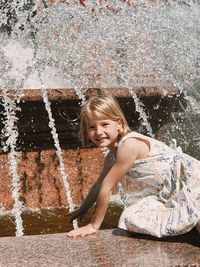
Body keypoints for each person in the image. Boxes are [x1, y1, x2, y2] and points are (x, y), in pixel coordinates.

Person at [66, 95, 200, 238]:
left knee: (193, 207)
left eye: (105, 124)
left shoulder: (129, 145)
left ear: (119, 123)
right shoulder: (111, 157)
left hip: (190, 180)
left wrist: (94, 225)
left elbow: (107, 188)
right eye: (92, 127)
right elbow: (100, 184)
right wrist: (82, 209)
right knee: (131, 216)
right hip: (171, 190)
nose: (98, 132)